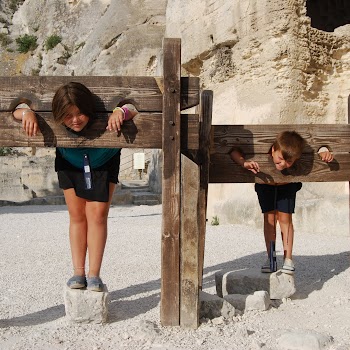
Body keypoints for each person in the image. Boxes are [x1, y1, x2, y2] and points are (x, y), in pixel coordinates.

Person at [13, 82, 138, 291]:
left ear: (88, 109)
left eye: (80, 113)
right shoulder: (59, 120)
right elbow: (14, 108)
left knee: (97, 215)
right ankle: (79, 272)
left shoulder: (103, 115)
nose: (75, 120)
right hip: (69, 160)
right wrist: (25, 112)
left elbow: (134, 107)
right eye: (68, 115)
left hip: (104, 159)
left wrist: (120, 111)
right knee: (77, 215)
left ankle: (94, 275)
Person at [230, 131, 333, 275]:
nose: (283, 164)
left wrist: (323, 150)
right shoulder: (268, 150)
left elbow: (318, 147)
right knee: (269, 219)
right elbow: (233, 150)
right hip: (265, 184)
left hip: (287, 185)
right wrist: (243, 162)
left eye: (289, 161)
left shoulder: (295, 159)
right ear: (272, 150)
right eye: (280, 158)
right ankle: (270, 258)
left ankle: (288, 259)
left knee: (285, 219)